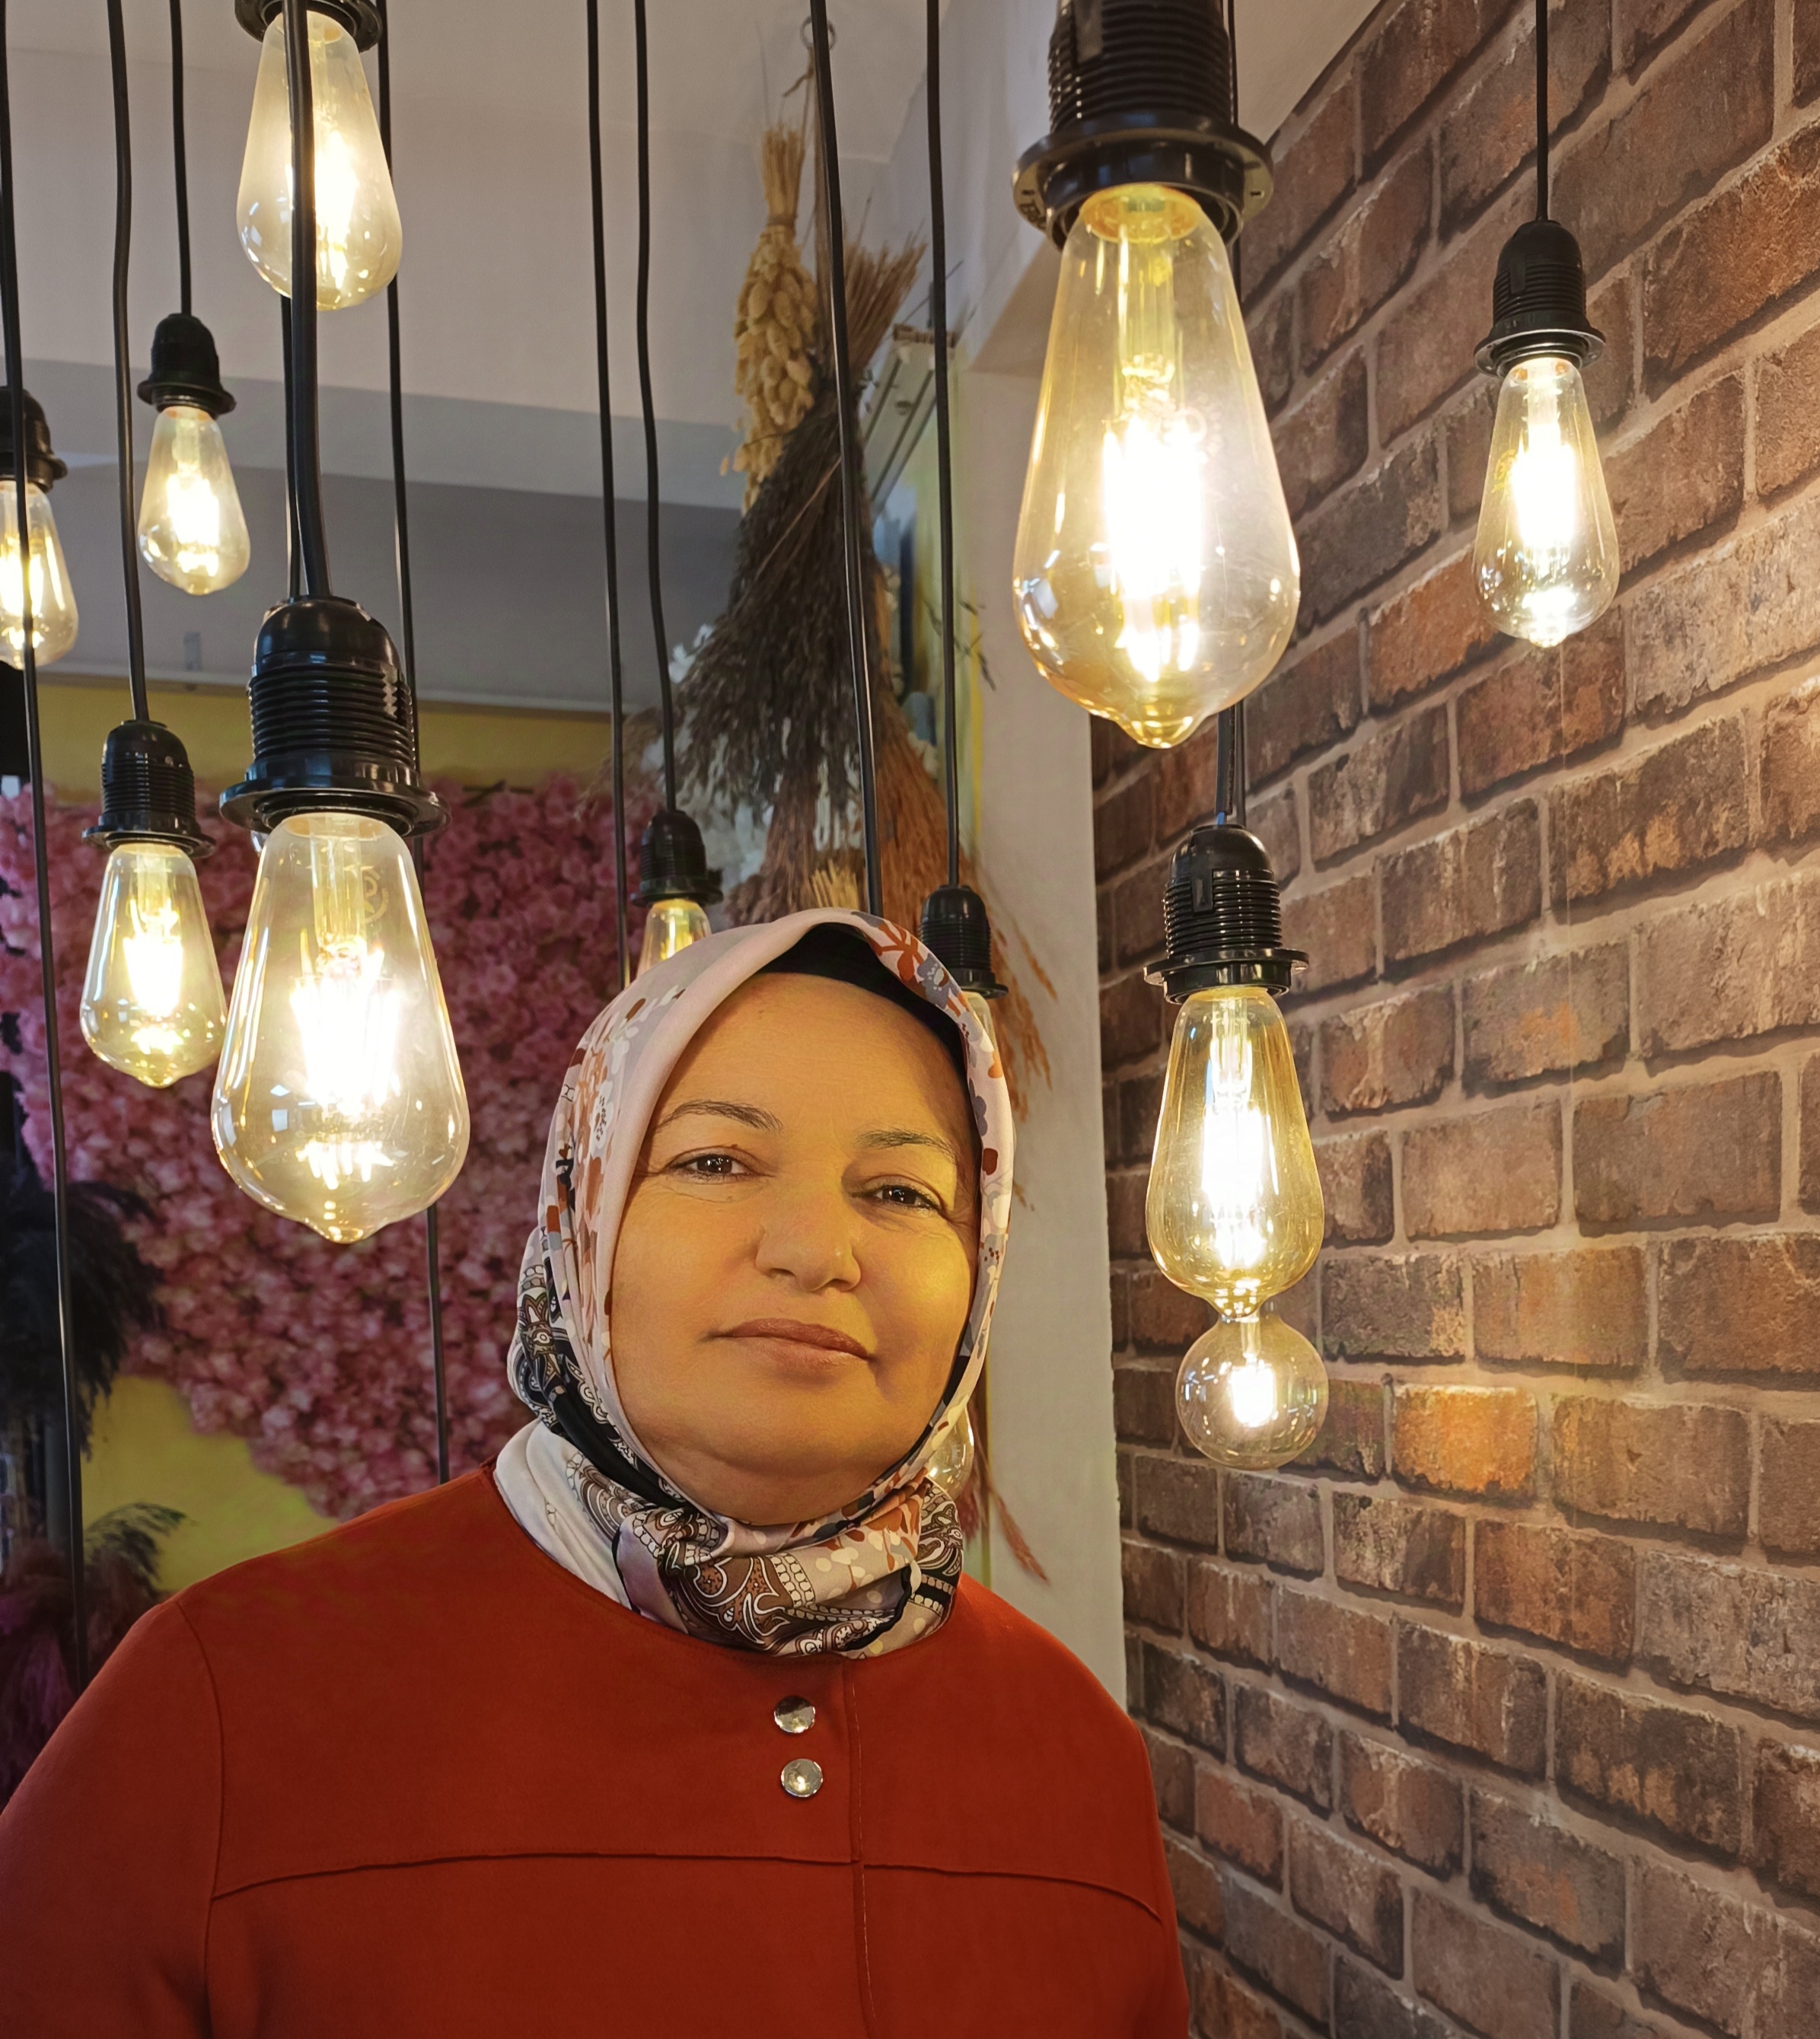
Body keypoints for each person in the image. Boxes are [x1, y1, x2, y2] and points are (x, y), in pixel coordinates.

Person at [0, 910, 1187, 2036]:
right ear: (583, 1221)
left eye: (899, 1192)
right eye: (717, 1161)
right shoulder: (220, 1707)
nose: (816, 1251)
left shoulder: (1070, 1748)